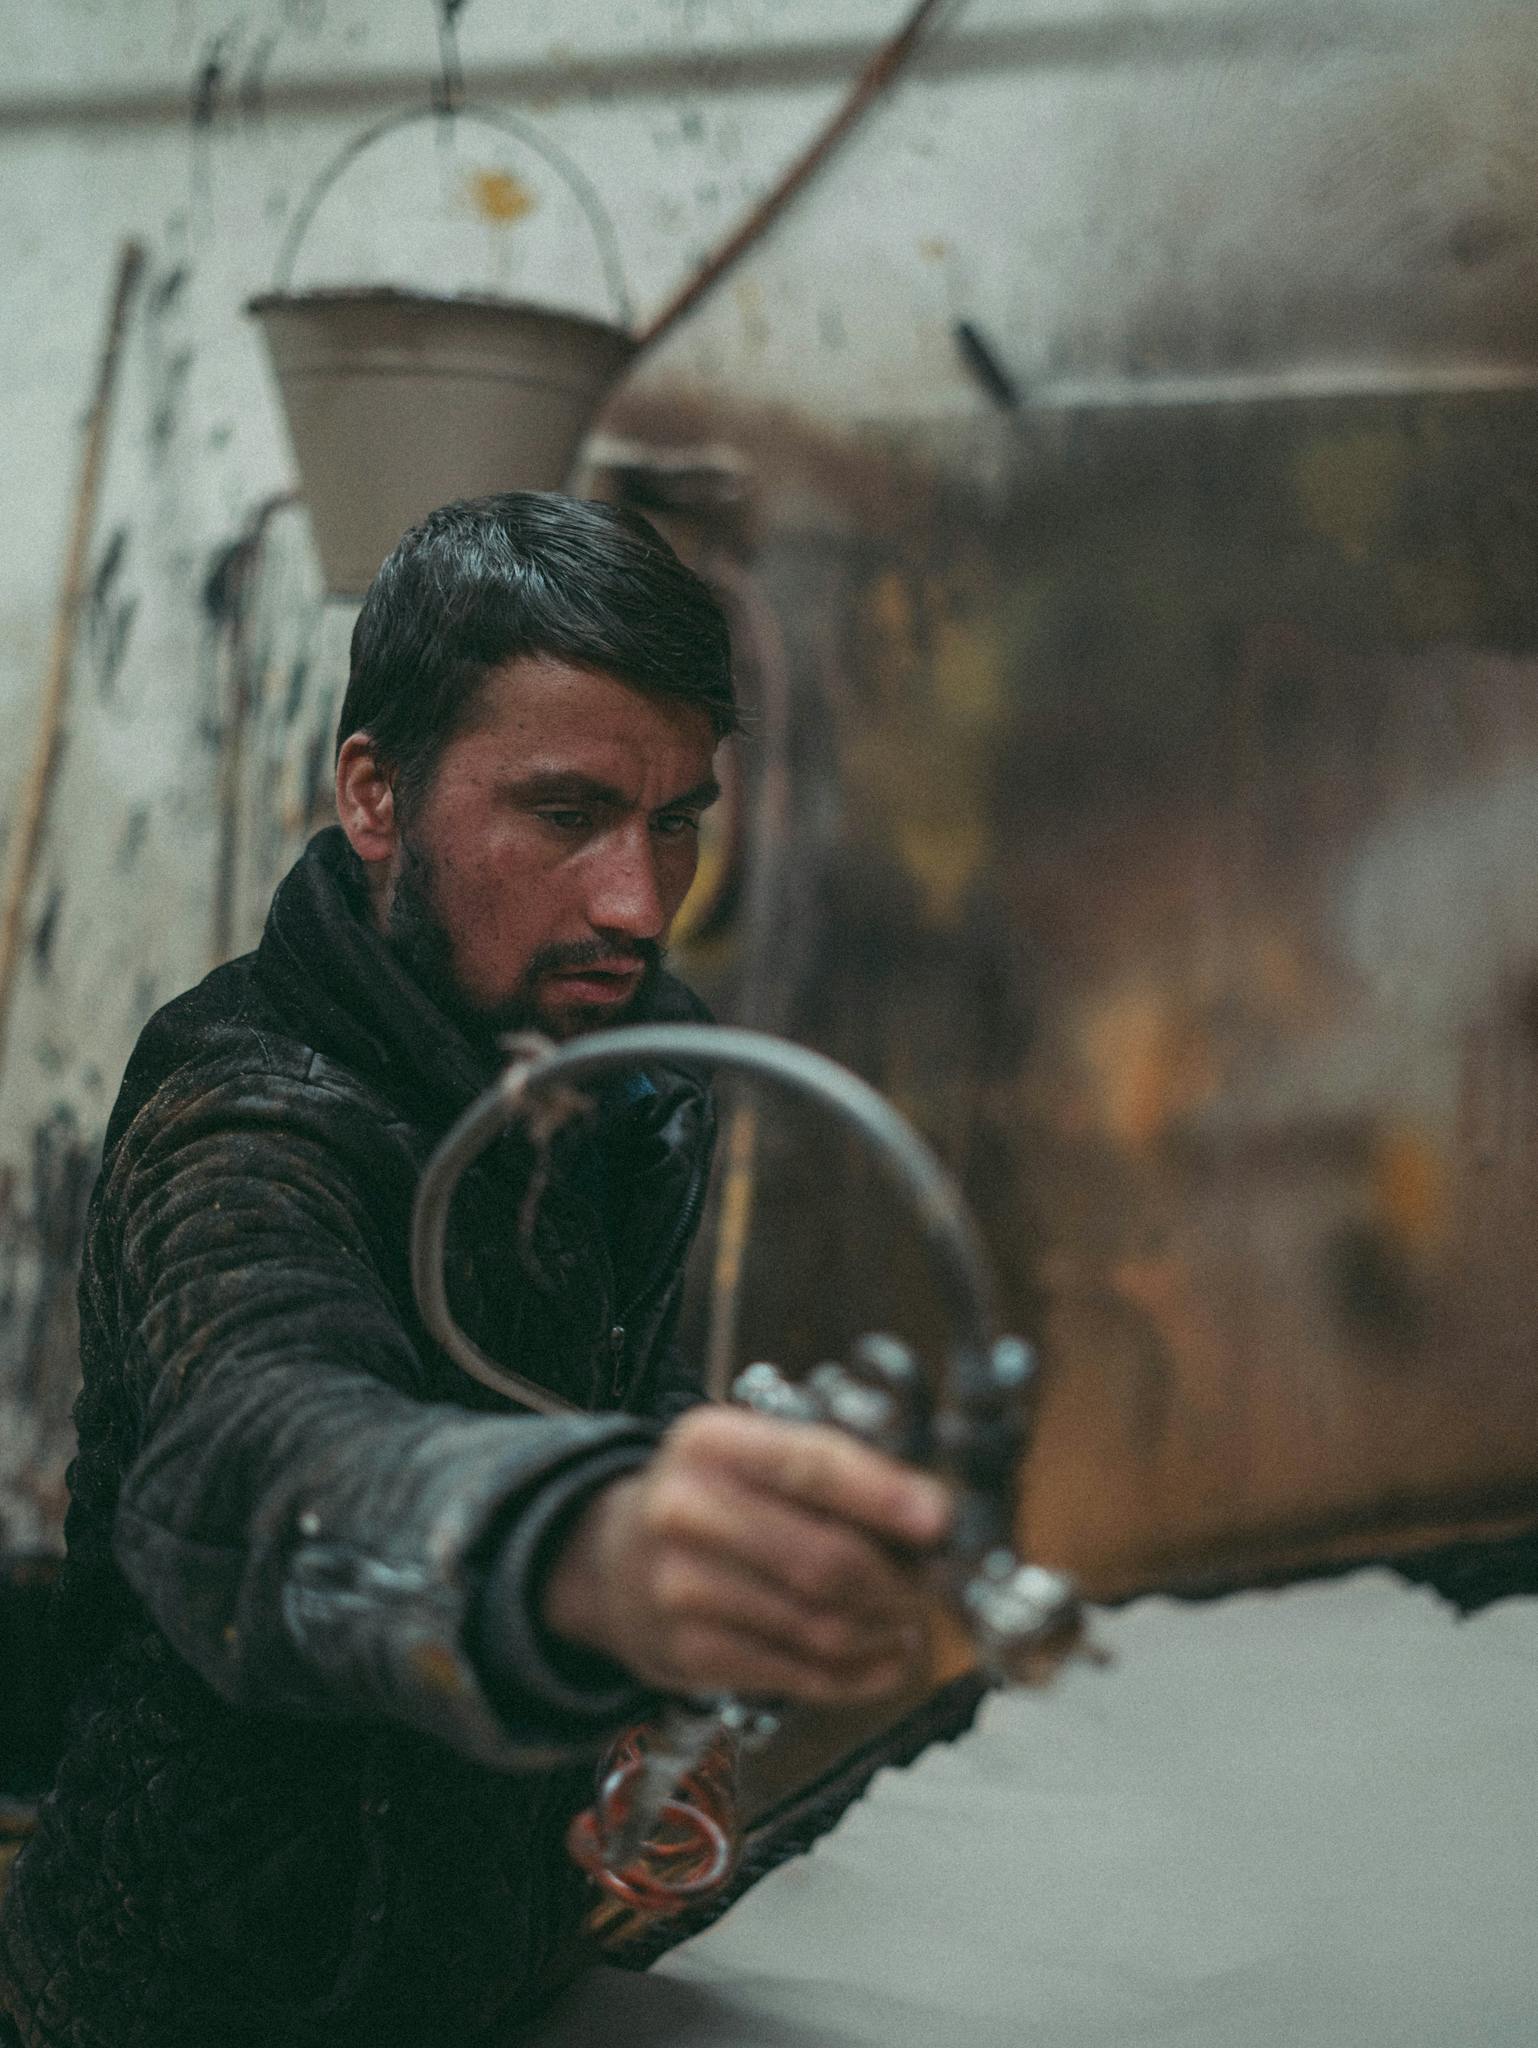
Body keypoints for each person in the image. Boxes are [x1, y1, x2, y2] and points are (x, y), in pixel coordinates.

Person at [0, 494, 949, 2048]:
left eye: (674, 820)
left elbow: (601, 1389)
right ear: (375, 795)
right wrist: (584, 1558)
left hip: (490, 1969)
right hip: (209, 1998)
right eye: (565, 815)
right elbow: (265, 1458)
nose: (636, 903)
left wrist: (655, 1685)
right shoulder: (249, 1108)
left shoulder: (614, 1070)